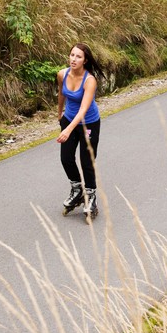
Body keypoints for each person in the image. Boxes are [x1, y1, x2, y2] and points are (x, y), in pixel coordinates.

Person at [56, 43, 102, 220]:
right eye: (72, 55)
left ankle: (90, 196)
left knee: (86, 161)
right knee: (66, 159)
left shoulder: (90, 80)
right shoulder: (62, 74)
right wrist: (59, 113)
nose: (73, 59)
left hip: (88, 123)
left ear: (85, 60)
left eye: (78, 57)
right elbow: (61, 93)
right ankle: (77, 190)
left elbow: (83, 110)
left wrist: (68, 129)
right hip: (68, 119)